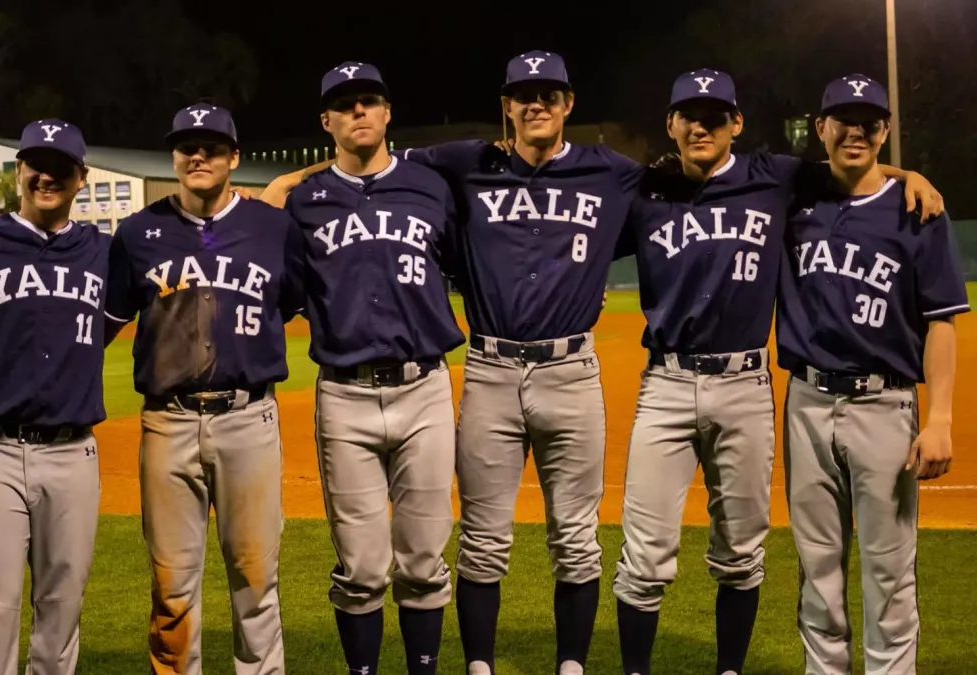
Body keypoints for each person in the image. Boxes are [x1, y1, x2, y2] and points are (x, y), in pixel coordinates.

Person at [611, 69, 944, 675]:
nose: (703, 126)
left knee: (752, 553)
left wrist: (908, 176)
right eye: (690, 116)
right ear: (671, 124)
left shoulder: (775, 178)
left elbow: (855, 164)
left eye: (716, 116)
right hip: (675, 381)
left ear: (736, 123)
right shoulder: (646, 189)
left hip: (755, 386)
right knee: (650, 555)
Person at [398, 51, 642, 675]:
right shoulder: (465, 163)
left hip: (571, 372)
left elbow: (691, 186)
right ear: (506, 106)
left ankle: (572, 666)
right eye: (524, 95)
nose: (537, 103)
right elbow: (373, 163)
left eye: (549, 94)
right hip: (491, 372)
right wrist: (292, 180)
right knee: (482, 539)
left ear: (568, 104)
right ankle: (480, 666)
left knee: (576, 539)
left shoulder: (611, 172)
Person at [104, 103, 303, 674]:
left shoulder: (273, 228)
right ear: (173, 156)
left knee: (256, 579)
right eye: (187, 146)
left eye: (211, 147)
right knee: (171, 585)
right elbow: (106, 321)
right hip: (167, 422)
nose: (198, 156)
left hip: (248, 419)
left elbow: (289, 304)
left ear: (233, 157)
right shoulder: (137, 233)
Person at [778, 74, 967, 675]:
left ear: (885, 130)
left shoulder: (919, 211)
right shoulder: (793, 198)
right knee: (817, 570)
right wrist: (906, 171)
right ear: (821, 127)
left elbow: (941, 322)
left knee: (889, 573)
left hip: (885, 407)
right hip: (806, 402)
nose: (856, 132)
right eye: (844, 121)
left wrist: (940, 420)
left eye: (870, 123)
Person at [283, 61, 463, 674]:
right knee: (361, 568)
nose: (358, 111)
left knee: (423, 560)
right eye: (344, 104)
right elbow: (282, 293)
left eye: (368, 101)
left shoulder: (431, 186)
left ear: (387, 113)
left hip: (424, 389)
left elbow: (470, 263)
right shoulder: (303, 203)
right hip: (345, 396)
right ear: (326, 122)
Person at [0, 119, 108, 675]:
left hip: (73, 451)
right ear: (18, 171)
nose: (46, 177)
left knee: (63, 605)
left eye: (60, 168)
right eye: (36, 166)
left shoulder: (102, 250)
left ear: (81, 178)